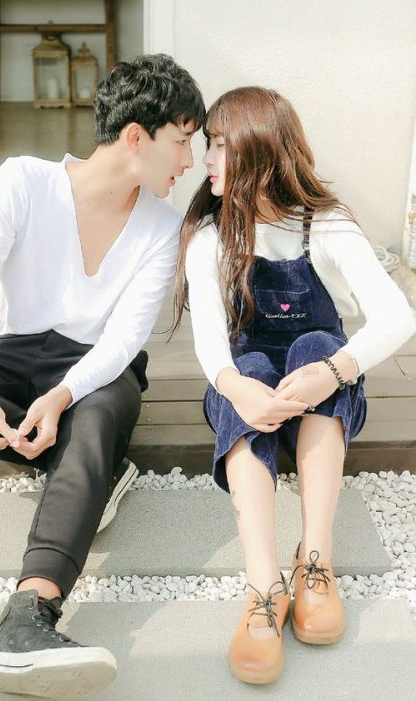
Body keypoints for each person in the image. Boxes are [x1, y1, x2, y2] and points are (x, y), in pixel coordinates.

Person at [0, 54, 204, 698]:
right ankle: (85, 467)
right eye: (183, 141)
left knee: (95, 416)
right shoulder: (24, 181)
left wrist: (64, 393)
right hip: (6, 355)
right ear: (137, 135)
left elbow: (125, 339)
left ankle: (29, 617)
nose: (189, 161)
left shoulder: (163, 226)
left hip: (93, 374)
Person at [173, 86, 416, 685]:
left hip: (322, 403)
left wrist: (333, 372)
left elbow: (398, 316)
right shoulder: (210, 236)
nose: (207, 159)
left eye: (220, 145)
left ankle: (314, 562)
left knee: (316, 347)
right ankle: (264, 583)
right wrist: (236, 387)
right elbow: (210, 343)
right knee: (248, 365)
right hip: (252, 403)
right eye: (208, 145)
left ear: (260, 149)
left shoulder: (326, 225)